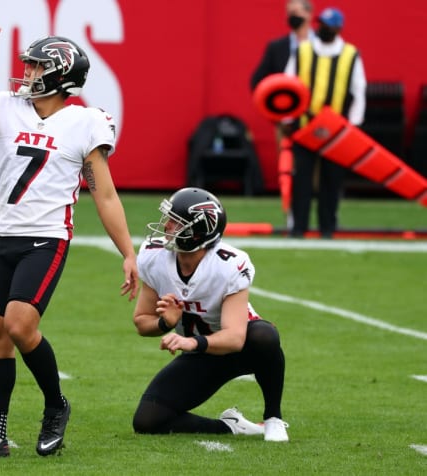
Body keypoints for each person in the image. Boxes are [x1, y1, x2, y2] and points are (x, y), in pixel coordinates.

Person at [0, 16, 139, 457]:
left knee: (18, 324)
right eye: (28, 65)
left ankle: (56, 405)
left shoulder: (85, 122)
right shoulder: (9, 108)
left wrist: (128, 252)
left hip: (46, 238)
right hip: (3, 236)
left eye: (36, 66)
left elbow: (104, 195)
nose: (27, 72)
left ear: (59, 76)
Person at [131, 187, 289, 442]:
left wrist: (191, 341)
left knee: (265, 335)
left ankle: (273, 417)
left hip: (240, 349)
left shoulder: (228, 264)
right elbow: (141, 322)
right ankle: (231, 427)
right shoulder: (154, 256)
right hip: (200, 355)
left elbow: (236, 338)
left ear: (198, 231)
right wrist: (165, 323)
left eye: (176, 222)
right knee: (147, 420)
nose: (168, 226)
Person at [284, 7, 367, 238]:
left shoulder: (350, 54)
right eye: (321, 23)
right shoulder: (303, 51)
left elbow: (358, 90)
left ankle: (327, 228)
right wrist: (288, 118)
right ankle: (298, 227)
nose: (322, 28)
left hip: (336, 130)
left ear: (338, 28)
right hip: (304, 126)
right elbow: (288, 84)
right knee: (301, 179)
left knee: (332, 180)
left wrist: (353, 125)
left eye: (328, 25)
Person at [250, 0, 314, 92]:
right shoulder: (277, 48)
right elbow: (257, 81)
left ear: (309, 14)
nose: (292, 16)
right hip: (286, 101)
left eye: (295, 12)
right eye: (289, 13)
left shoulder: (323, 45)